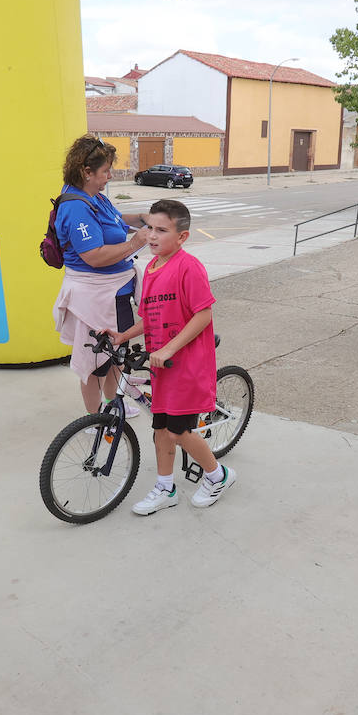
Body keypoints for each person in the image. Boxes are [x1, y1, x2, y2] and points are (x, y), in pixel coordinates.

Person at [107, 200, 235, 515]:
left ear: (182, 237)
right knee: (161, 428)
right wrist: (123, 335)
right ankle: (166, 488)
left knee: (179, 431)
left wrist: (169, 349)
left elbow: (203, 315)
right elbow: (150, 318)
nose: (152, 235)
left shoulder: (188, 267)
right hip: (162, 365)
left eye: (162, 230)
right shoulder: (151, 269)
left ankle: (218, 475)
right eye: (149, 227)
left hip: (187, 364)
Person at [52, 135, 150, 416]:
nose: (110, 176)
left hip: (115, 294)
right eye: (106, 171)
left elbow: (115, 222)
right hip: (96, 298)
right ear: (87, 172)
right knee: (95, 364)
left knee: (116, 354)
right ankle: (97, 419)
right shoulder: (76, 207)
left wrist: (142, 218)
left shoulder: (94, 197)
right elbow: (93, 256)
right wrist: (134, 244)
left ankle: (112, 403)